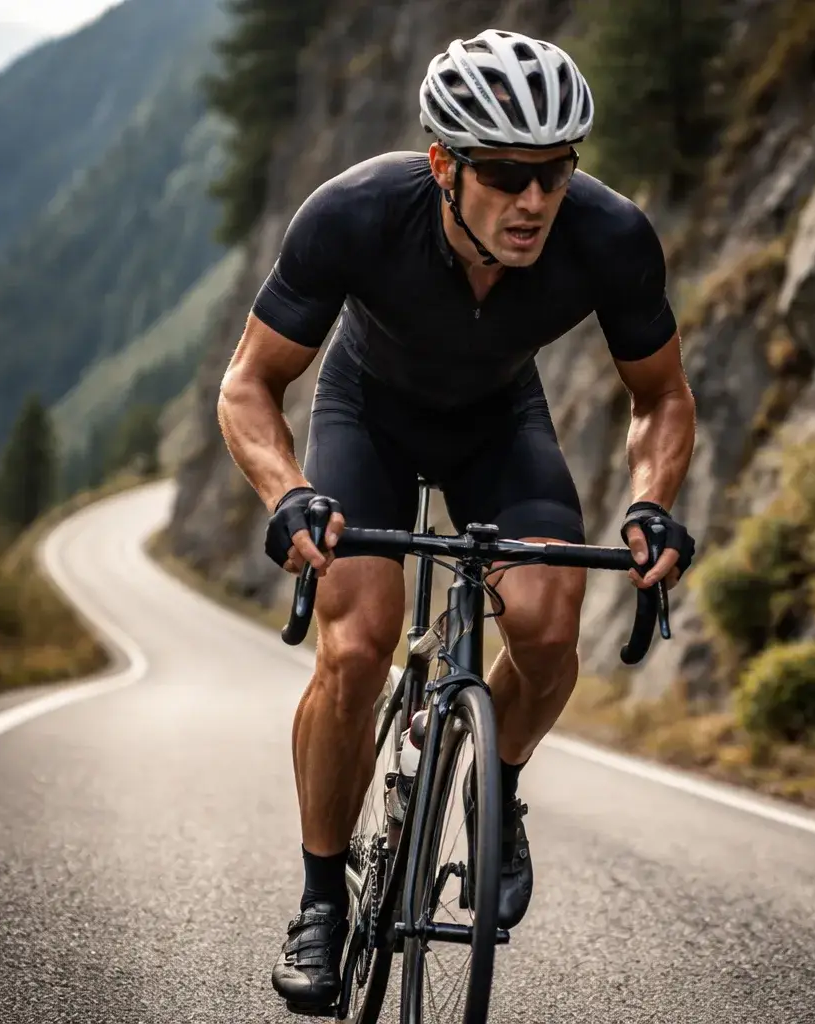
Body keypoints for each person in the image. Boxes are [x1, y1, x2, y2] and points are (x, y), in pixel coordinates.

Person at [216, 27, 697, 1015]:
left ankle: (499, 790)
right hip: (367, 415)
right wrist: (288, 494)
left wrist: (651, 501)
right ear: (445, 164)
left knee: (551, 624)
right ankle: (318, 900)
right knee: (356, 648)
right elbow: (249, 385)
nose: (533, 202)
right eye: (505, 174)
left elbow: (662, 398)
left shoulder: (607, 236)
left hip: (498, 425)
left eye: (553, 174)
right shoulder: (353, 214)